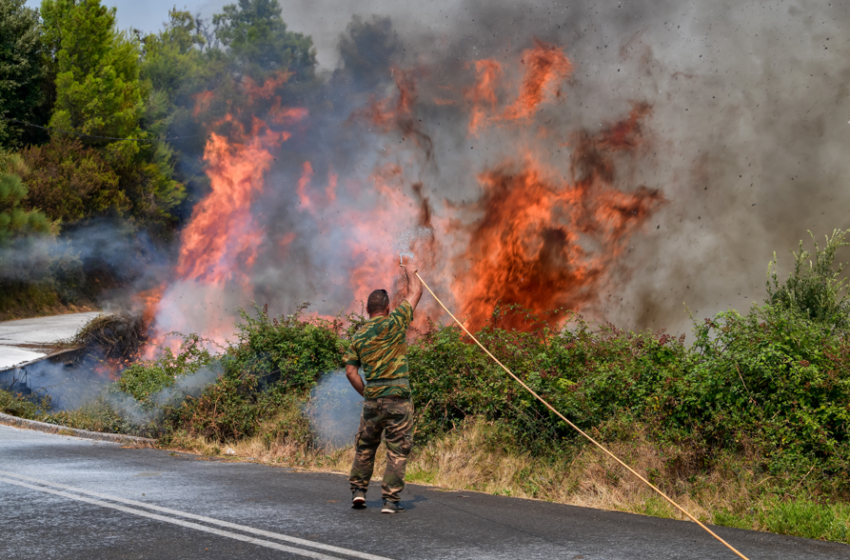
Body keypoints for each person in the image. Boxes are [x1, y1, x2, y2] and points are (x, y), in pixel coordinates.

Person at [344, 256, 423, 513]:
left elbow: (350, 372)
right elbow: (416, 291)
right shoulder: (395, 321)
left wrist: (367, 392)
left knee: (366, 447)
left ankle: (359, 492)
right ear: (388, 308)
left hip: (372, 400)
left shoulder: (359, 335)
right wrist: (410, 269)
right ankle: (390, 501)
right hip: (398, 400)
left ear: (368, 310)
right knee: (397, 452)